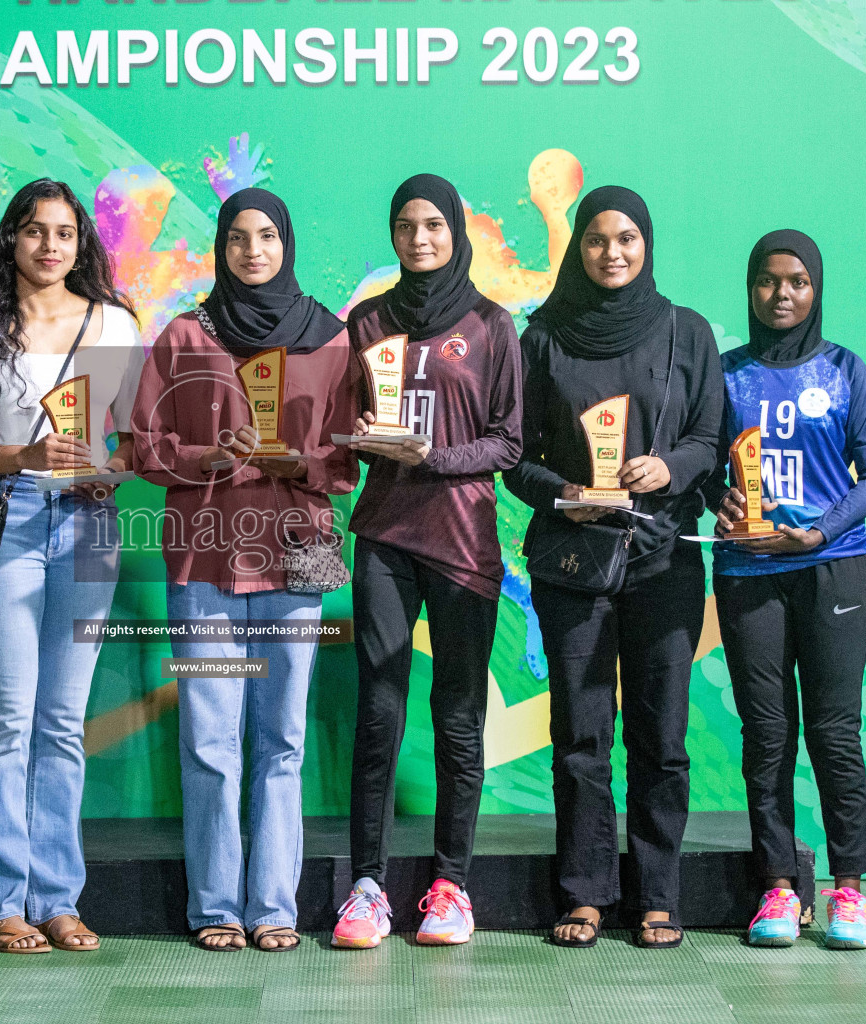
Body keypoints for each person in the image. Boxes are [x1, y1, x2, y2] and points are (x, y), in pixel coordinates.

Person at [131, 188, 357, 953]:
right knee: (210, 740)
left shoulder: (331, 338)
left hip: (301, 552)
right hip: (205, 555)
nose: (253, 251)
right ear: (220, 248)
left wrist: (307, 461)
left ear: (286, 243)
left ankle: (274, 908)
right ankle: (216, 907)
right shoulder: (187, 338)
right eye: (237, 238)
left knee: (282, 740)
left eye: (266, 236)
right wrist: (207, 457)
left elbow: (354, 455)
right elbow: (144, 446)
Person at [0, 178, 142, 954]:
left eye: (63, 233)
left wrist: (108, 468)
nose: (50, 246)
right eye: (34, 232)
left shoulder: (116, 325)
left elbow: (135, 438)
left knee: (61, 723)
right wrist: (23, 454)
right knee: (9, 719)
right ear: (11, 240)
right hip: (6, 519)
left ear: (81, 244)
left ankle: (57, 899)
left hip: (89, 525)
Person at [503, 186, 724, 949]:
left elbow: (710, 437)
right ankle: (585, 893)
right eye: (597, 240)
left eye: (627, 238)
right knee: (581, 735)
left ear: (647, 243)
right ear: (579, 248)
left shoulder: (685, 333)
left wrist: (668, 470)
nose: (613, 253)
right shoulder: (544, 338)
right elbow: (516, 461)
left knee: (661, 736)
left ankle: (657, 893)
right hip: (571, 562)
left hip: (662, 561)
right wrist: (563, 493)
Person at [331, 174, 523, 950]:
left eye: (434, 225)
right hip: (384, 534)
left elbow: (509, 441)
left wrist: (435, 457)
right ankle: (368, 887)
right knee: (378, 713)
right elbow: (348, 418)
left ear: (456, 232)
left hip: (464, 543)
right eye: (406, 225)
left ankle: (452, 885)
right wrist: (368, 440)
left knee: (457, 716)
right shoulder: (367, 321)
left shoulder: (491, 324)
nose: (419, 239)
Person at [709, 230, 866, 950]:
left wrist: (821, 531)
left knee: (833, 733)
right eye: (766, 281)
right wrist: (715, 503)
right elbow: (700, 468)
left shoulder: (845, 370)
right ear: (750, 287)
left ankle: (849, 890)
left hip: (831, 569)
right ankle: (779, 888)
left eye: (796, 282)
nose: (781, 295)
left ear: (815, 289)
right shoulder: (726, 376)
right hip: (748, 574)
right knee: (767, 735)